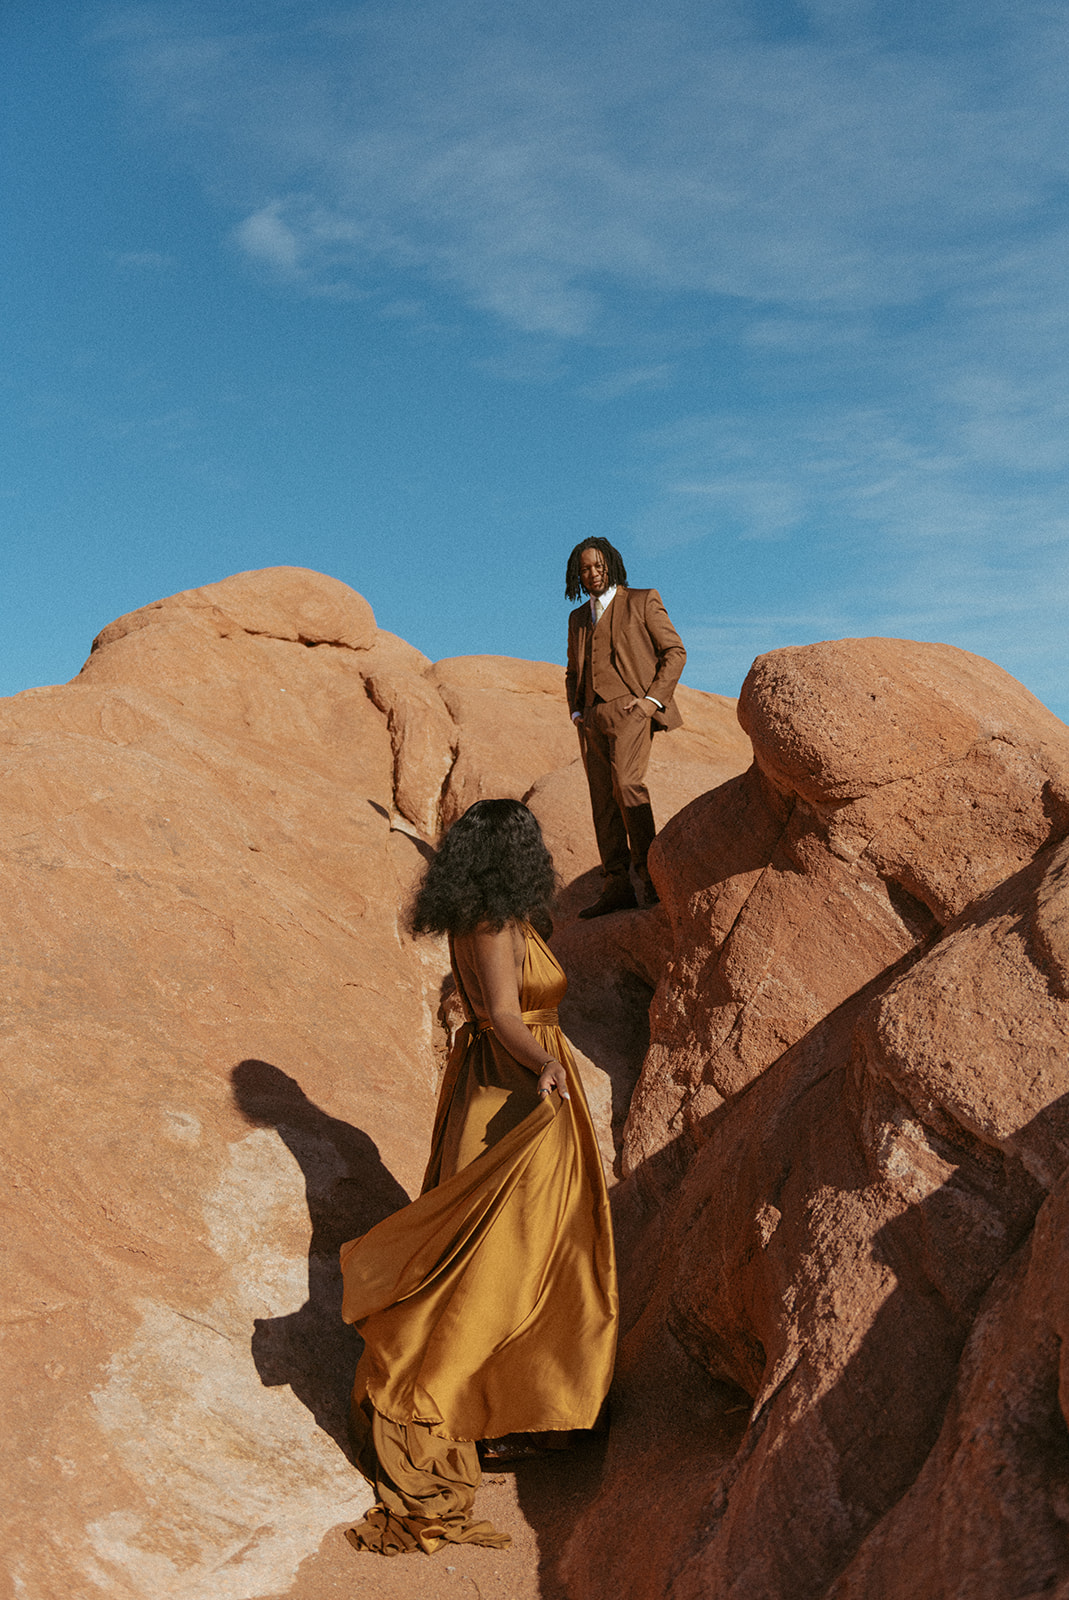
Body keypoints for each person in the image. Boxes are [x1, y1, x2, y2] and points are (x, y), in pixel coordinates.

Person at [339, 798, 618, 1556]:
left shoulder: (488, 914)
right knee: (503, 1257)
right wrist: (549, 1064)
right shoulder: (492, 923)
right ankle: (470, 1405)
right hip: (515, 1094)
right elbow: (500, 1011)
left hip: (506, 1087)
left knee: (525, 1254)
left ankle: (519, 1403)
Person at [565, 539, 686, 918]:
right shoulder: (578, 619)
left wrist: (651, 701)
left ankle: (650, 880)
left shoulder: (643, 600)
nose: (592, 573)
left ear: (611, 565)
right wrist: (576, 711)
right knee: (602, 799)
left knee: (627, 785)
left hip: (631, 710)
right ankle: (616, 886)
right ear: (578, 575)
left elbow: (675, 651)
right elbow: (572, 670)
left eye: (598, 566)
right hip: (592, 717)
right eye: (585, 569)